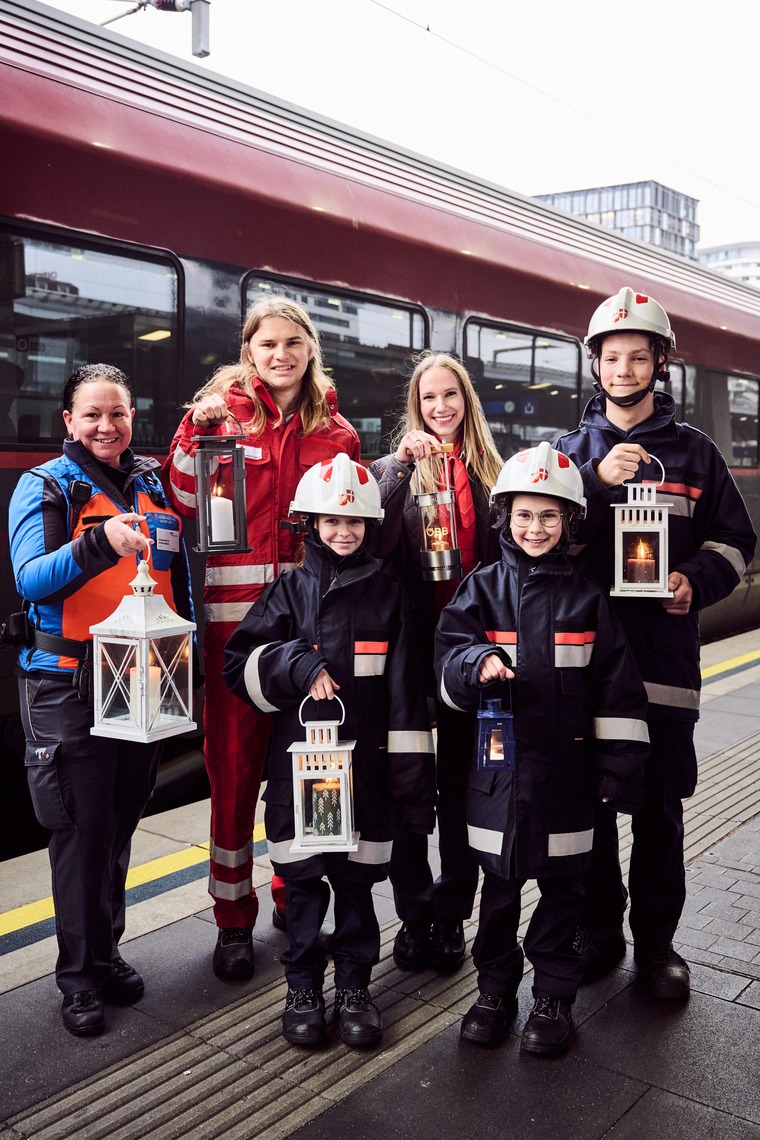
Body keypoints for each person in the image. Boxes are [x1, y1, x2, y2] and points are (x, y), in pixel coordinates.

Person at [554, 287, 757, 1000]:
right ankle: (600, 934)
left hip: (663, 666)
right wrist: (591, 483)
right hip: (585, 664)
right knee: (592, 810)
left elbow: (736, 540)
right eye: (612, 357)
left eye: (639, 357)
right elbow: (533, 546)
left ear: (660, 363)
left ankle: (658, 947)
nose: (624, 370)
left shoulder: (696, 454)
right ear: (595, 364)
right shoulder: (566, 455)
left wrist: (694, 581)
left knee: (660, 812)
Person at [165, 296, 360, 981]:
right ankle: (232, 920)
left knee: (305, 768)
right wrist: (192, 435)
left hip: (310, 633)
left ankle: (291, 895)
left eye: (292, 343)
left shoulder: (337, 433)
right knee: (235, 773)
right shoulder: (218, 420)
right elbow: (184, 503)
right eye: (267, 344)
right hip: (235, 632)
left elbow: (352, 527)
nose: (280, 355)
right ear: (249, 350)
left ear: (310, 351)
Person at [435, 442, 648, 1056]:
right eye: (525, 515)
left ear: (570, 521)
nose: (535, 528)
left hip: (568, 782)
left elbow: (618, 693)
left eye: (550, 516)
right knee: (497, 893)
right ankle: (493, 992)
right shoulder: (480, 590)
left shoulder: (588, 600)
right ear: (506, 516)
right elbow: (447, 661)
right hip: (497, 779)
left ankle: (553, 997)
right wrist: (476, 662)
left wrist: (616, 774)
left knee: (564, 891)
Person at [223, 455, 435, 1048]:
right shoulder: (287, 591)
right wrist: (297, 662)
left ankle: (355, 989)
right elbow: (238, 667)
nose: (344, 532)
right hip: (302, 775)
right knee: (305, 887)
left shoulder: (390, 597)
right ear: (310, 524)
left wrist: (413, 791)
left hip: (365, 777)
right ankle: (302, 990)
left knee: (357, 888)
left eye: (355, 523)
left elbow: (406, 704)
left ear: (371, 527)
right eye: (332, 521)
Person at [8, 363, 195, 1037]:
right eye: (92, 414)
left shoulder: (149, 483)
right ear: (69, 420)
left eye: (117, 413)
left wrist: (189, 654)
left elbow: (176, 579)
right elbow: (31, 578)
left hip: (141, 678)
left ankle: (107, 951)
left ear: (131, 417)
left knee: (119, 821)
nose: (106, 425)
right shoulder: (46, 486)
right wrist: (98, 541)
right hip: (68, 683)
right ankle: (79, 978)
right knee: (81, 832)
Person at [370, 352, 503, 974]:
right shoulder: (394, 469)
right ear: (415, 406)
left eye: (451, 395)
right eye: (429, 397)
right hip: (406, 650)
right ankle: (414, 914)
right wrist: (401, 467)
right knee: (405, 787)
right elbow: (368, 539)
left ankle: (450, 914)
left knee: (458, 789)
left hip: (466, 651)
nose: (441, 407)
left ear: (466, 400)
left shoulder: (492, 475)